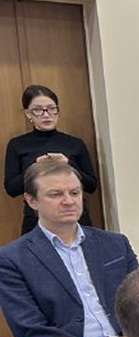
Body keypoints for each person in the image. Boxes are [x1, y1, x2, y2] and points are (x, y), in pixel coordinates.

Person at [0, 160, 137, 337]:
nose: (69, 201)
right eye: (55, 194)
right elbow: (30, 331)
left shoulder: (116, 244)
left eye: (74, 193)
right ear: (32, 201)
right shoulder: (12, 259)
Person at [5, 84, 98, 234]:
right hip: (35, 219)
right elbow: (11, 189)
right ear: (28, 114)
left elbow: (91, 185)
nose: (46, 115)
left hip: (74, 217)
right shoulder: (17, 145)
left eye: (51, 109)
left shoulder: (75, 143)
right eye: (38, 110)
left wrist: (68, 164)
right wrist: (35, 167)